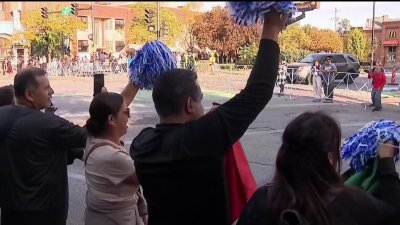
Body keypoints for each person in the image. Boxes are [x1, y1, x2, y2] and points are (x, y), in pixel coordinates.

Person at [130, 11, 286, 225]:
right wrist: (271, 27)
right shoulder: (202, 138)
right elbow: (259, 90)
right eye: (200, 100)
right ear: (189, 105)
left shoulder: (142, 143)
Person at [237, 111, 400, 225]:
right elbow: (394, 214)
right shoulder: (351, 203)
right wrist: (386, 162)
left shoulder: (263, 198)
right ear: (329, 158)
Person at [84, 92, 147, 225]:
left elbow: (107, 108)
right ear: (111, 120)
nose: (129, 117)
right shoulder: (113, 157)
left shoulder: (92, 138)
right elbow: (148, 177)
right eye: (127, 112)